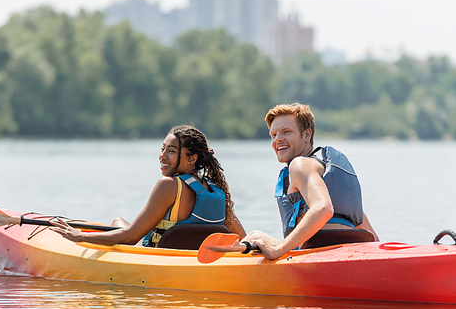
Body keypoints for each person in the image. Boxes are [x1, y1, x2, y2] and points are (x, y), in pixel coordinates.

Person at [51, 125, 245, 247]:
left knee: (118, 222)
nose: (162, 156)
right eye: (162, 149)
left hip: (159, 258)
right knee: (119, 223)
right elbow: (243, 239)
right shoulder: (218, 192)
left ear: (191, 159)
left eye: (171, 151)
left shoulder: (169, 185)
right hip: (196, 261)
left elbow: (131, 237)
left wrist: (80, 237)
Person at [242, 103, 378, 259]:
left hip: (315, 256)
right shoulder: (326, 172)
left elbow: (324, 209)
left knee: (253, 237)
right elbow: (372, 237)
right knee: (256, 235)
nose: (278, 140)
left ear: (307, 135)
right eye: (273, 135)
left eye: (286, 132)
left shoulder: (299, 164)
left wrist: (277, 251)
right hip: (346, 254)